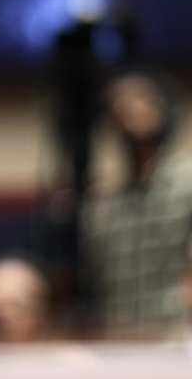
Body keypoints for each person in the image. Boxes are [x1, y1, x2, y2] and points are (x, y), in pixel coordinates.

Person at [80, 66, 192, 339]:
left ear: (163, 109)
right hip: (123, 344)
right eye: (117, 105)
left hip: (179, 342)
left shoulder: (188, 182)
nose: (127, 110)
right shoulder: (101, 204)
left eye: (139, 100)